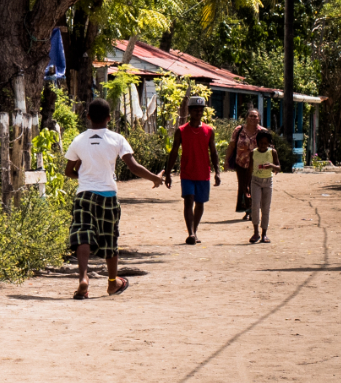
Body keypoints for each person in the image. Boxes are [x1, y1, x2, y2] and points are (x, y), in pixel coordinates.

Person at [63, 99, 164, 298]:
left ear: (88, 117)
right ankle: (112, 283)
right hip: (108, 196)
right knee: (110, 239)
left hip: (84, 195)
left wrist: (83, 177)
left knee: (83, 234)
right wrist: (154, 178)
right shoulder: (117, 139)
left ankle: (83, 278)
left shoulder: (79, 140)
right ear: (109, 118)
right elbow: (133, 167)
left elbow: (68, 171)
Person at [171, 96, 218, 244]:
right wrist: (168, 172)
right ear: (189, 111)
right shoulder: (181, 131)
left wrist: (217, 171)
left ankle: (194, 230)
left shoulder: (209, 130)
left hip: (203, 173)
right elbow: (173, 152)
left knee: (200, 203)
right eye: (195, 110)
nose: (198, 112)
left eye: (200, 110)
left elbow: (214, 152)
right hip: (187, 173)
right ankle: (190, 233)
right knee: (188, 200)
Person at [229, 106, 277, 244]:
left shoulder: (264, 134)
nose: (253, 118)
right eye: (250, 116)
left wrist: (272, 165)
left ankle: (263, 232)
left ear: (259, 118)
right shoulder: (240, 132)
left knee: (265, 207)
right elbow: (232, 145)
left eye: (255, 116)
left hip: (263, 175)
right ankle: (253, 223)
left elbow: (276, 162)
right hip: (243, 164)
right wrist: (227, 160)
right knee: (249, 195)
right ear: (246, 117)